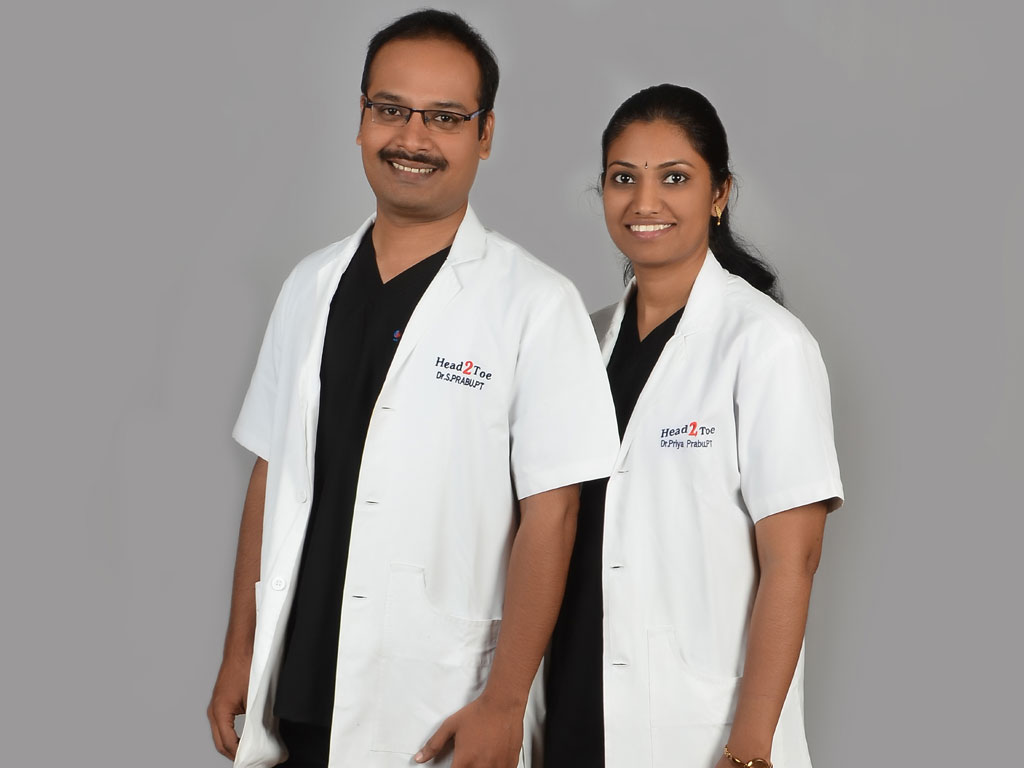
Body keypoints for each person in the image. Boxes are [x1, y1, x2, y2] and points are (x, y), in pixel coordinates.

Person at [206, 10, 619, 768]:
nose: (412, 138)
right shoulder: (309, 286)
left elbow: (553, 515)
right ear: (361, 118)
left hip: (437, 701)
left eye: (445, 117)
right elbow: (270, 475)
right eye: (391, 109)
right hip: (294, 691)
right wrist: (241, 651)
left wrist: (505, 701)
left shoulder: (535, 303)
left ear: (485, 135)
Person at [543, 84, 844, 768]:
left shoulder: (766, 344)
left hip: (698, 725)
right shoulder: (582, 343)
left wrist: (750, 746)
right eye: (624, 178)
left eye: (674, 178)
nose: (644, 202)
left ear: (719, 194)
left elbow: (794, 560)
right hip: (573, 705)